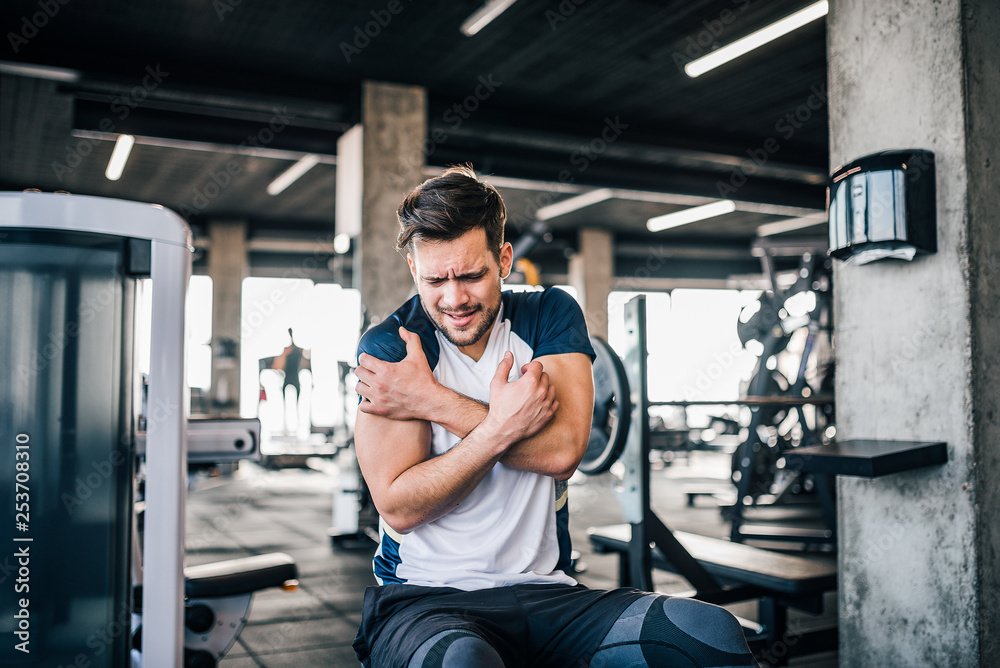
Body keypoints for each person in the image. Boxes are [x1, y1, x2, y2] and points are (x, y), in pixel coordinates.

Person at [351, 165, 758, 667]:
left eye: (472, 275)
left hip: (550, 594)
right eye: (436, 279)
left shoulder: (549, 314)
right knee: (461, 662)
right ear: (414, 269)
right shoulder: (394, 348)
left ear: (504, 260)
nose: (454, 298)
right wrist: (505, 426)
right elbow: (400, 508)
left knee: (706, 632)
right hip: (425, 600)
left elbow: (564, 451)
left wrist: (432, 401)